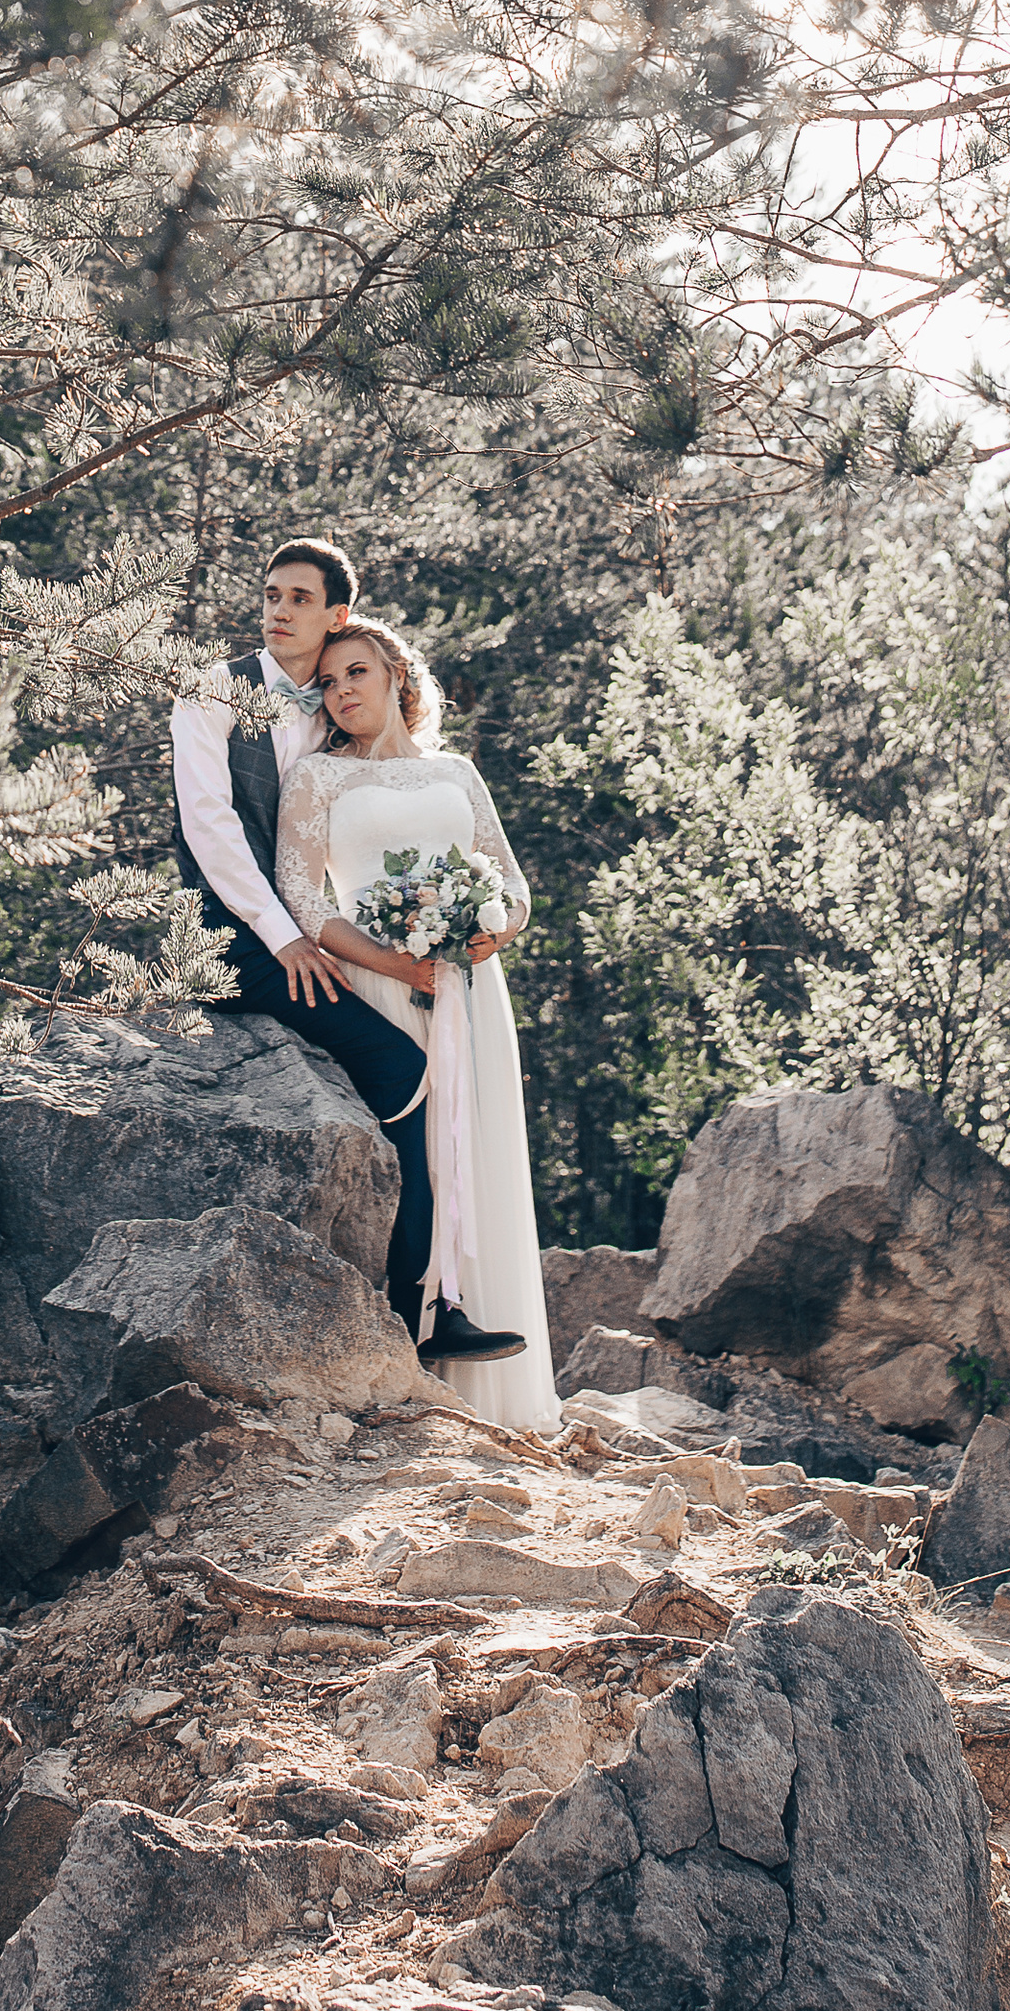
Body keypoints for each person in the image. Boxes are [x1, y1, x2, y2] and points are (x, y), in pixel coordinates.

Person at [169, 539, 526, 1373]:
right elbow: (211, 829)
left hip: (342, 944)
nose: (278, 609)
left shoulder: (333, 718)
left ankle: (433, 1308)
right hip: (239, 937)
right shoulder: (217, 689)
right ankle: (419, 1315)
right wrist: (285, 934)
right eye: (270, 594)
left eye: (299, 597)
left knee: (417, 1092)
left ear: (338, 617)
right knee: (403, 1075)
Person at [271, 612, 558, 1429]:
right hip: (382, 984)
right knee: (418, 1151)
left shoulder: (459, 772)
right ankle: (417, 1335)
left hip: (470, 986)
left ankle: (493, 1381)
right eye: (326, 683)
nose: (340, 693)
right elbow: (301, 896)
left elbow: (513, 886)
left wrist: (488, 933)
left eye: (355, 673)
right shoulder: (318, 780)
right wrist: (395, 962)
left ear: (397, 676)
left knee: (480, 1148)